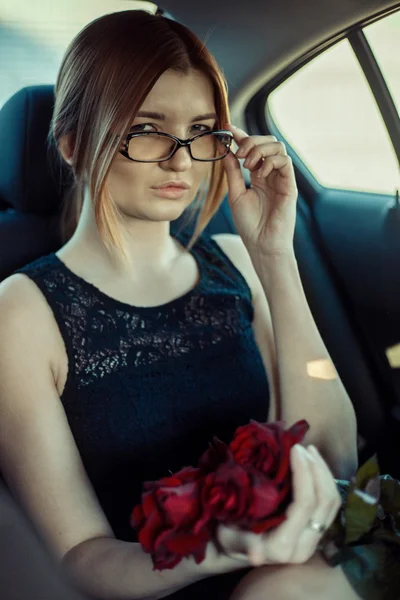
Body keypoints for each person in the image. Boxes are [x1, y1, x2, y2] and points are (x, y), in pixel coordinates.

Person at [0, 9, 360, 600]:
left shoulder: (235, 262)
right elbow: (77, 556)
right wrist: (216, 546)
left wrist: (274, 257)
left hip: (299, 568)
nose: (182, 159)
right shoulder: (24, 311)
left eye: (201, 130)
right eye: (147, 128)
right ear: (72, 143)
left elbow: (334, 455)